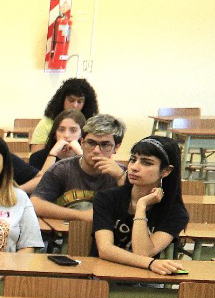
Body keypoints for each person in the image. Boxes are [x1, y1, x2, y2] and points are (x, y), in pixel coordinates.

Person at [92, 136, 188, 274]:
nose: (134, 167)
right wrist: (151, 263)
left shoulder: (176, 213)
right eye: (133, 159)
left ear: (166, 171)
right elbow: (105, 249)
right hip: (102, 275)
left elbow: (143, 252)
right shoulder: (106, 198)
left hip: (144, 280)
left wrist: (141, 206)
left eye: (147, 163)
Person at [30, 113, 126, 222]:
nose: (96, 150)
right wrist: (81, 215)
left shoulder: (122, 173)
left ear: (116, 147)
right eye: (91, 143)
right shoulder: (61, 169)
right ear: (82, 142)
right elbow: (34, 204)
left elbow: (135, 211)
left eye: (105, 145)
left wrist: (121, 178)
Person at [30, 77, 98, 148]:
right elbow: (36, 154)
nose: (75, 105)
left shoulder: (91, 124)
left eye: (79, 102)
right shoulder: (47, 123)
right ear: (62, 100)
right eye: (71, 100)